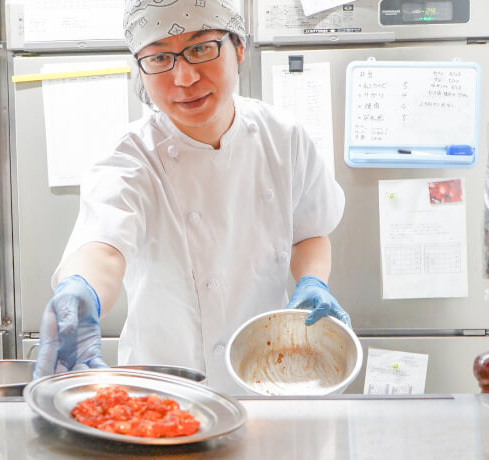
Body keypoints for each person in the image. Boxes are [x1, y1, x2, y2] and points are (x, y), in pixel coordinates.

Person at [33, 0, 349, 393]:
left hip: (267, 379)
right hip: (163, 391)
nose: (184, 77)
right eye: (159, 57)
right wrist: (80, 289)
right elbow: (103, 249)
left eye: (200, 48)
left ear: (238, 48)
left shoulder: (284, 137)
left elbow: (310, 231)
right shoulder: (129, 156)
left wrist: (314, 280)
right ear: (140, 70)